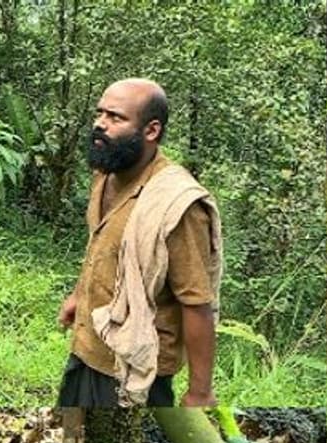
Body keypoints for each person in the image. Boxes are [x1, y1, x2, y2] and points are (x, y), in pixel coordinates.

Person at [57, 78, 222, 408]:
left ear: (151, 130)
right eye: (99, 113)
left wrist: (200, 392)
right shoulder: (107, 172)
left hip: (136, 370)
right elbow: (100, 241)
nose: (100, 124)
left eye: (115, 118)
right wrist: (79, 295)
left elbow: (196, 302)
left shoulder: (177, 205)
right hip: (87, 349)